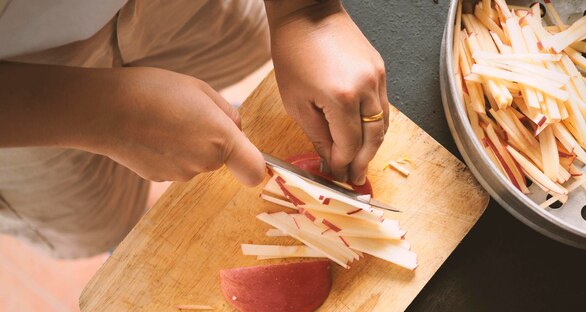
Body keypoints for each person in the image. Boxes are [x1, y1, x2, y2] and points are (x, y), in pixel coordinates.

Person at [0, 0, 389, 258]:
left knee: (242, 41)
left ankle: (204, 119)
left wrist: (305, 12)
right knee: (97, 219)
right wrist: (105, 115)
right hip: (25, 89)